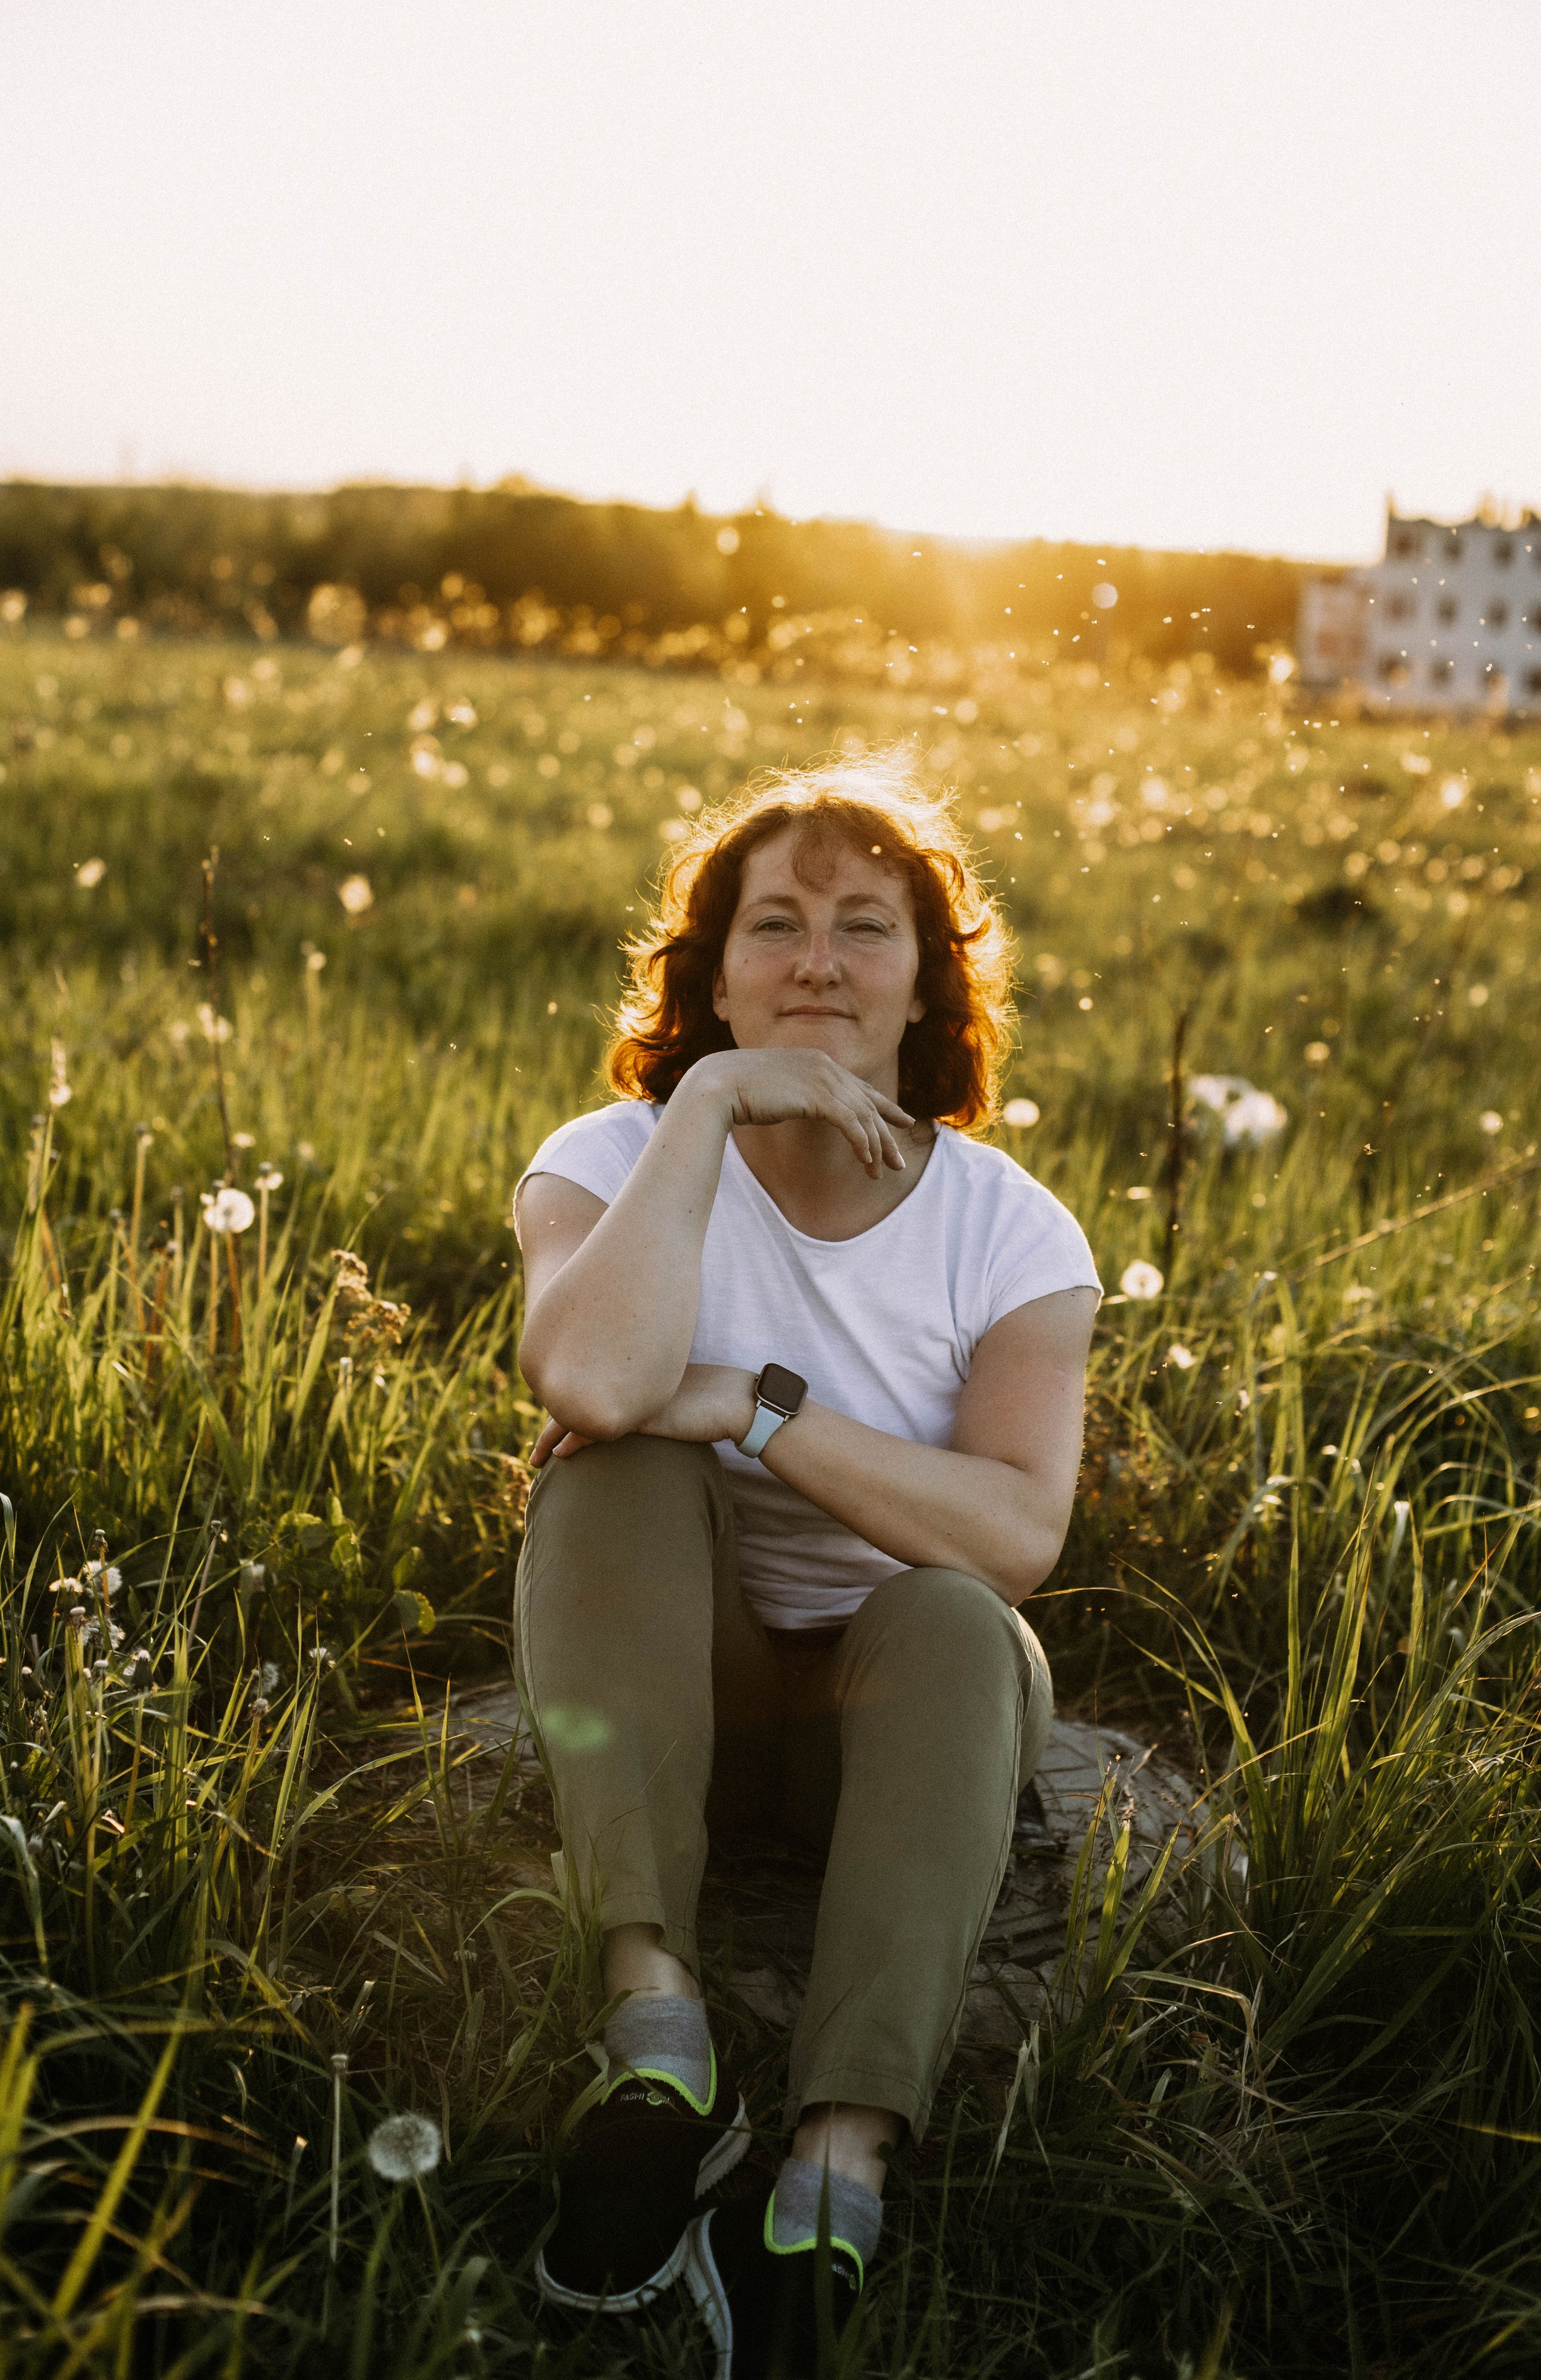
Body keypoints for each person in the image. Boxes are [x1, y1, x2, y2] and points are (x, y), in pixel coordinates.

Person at [512, 753, 1100, 2376]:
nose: (818, 963)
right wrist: (703, 1104)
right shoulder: (605, 1152)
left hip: (885, 1726)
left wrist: (758, 1412)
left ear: (927, 987)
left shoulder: (1009, 1231)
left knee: (954, 1613)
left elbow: (1013, 1534)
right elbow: (591, 1387)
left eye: (864, 927)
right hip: (673, 1679)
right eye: (773, 925)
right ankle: (658, 2039)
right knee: (615, 1471)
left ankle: (833, 2170)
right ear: (712, 976)